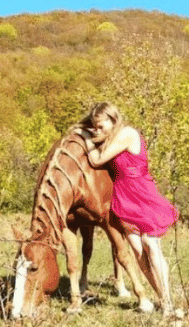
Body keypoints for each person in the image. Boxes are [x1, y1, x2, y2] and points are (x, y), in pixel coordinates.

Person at [73, 102, 178, 314]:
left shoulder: (127, 134)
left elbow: (96, 160)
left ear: (114, 120)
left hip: (142, 194)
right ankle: (162, 300)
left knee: (150, 244)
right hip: (124, 198)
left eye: (101, 126)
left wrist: (84, 136)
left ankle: (168, 301)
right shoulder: (109, 139)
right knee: (139, 253)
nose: (98, 130)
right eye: (95, 126)